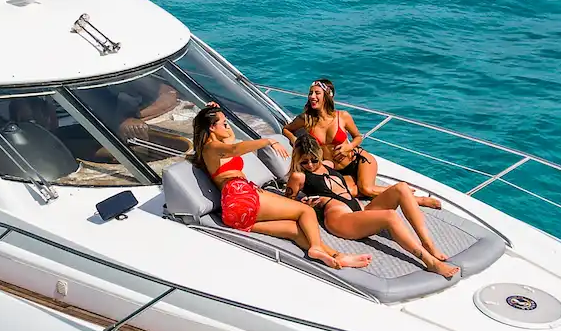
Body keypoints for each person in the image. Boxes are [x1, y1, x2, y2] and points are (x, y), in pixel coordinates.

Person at [193, 104, 369, 271]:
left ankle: (337, 256)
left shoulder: (216, 147)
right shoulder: (212, 147)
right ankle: (315, 247)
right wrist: (267, 141)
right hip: (239, 195)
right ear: (211, 128)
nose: (228, 125)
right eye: (224, 123)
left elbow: (229, 140)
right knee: (304, 211)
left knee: (294, 229)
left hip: (235, 211)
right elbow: (234, 149)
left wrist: (214, 111)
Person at [287, 133, 458, 278]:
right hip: (340, 219)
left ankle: (427, 243)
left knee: (401, 188)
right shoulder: (298, 177)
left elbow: (352, 157)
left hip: (359, 211)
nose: (309, 165)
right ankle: (430, 262)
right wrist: (308, 204)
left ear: (319, 154)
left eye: (313, 160)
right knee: (390, 216)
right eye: (304, 162)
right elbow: (289, 204)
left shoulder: (328, 165)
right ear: (298, 160)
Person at [284, 77, 440, 208]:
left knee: (366, 189)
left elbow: (358, 136)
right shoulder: (306, 119)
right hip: (337, 171)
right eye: (311, 93)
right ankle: (397, 190)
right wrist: (296, 140)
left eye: (317, 93)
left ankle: (417, 199)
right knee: (349, 192)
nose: (312, 96)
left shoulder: (342, 116)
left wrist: (349, 146)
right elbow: (287, 129)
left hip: (358, 161)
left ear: (327, 96)